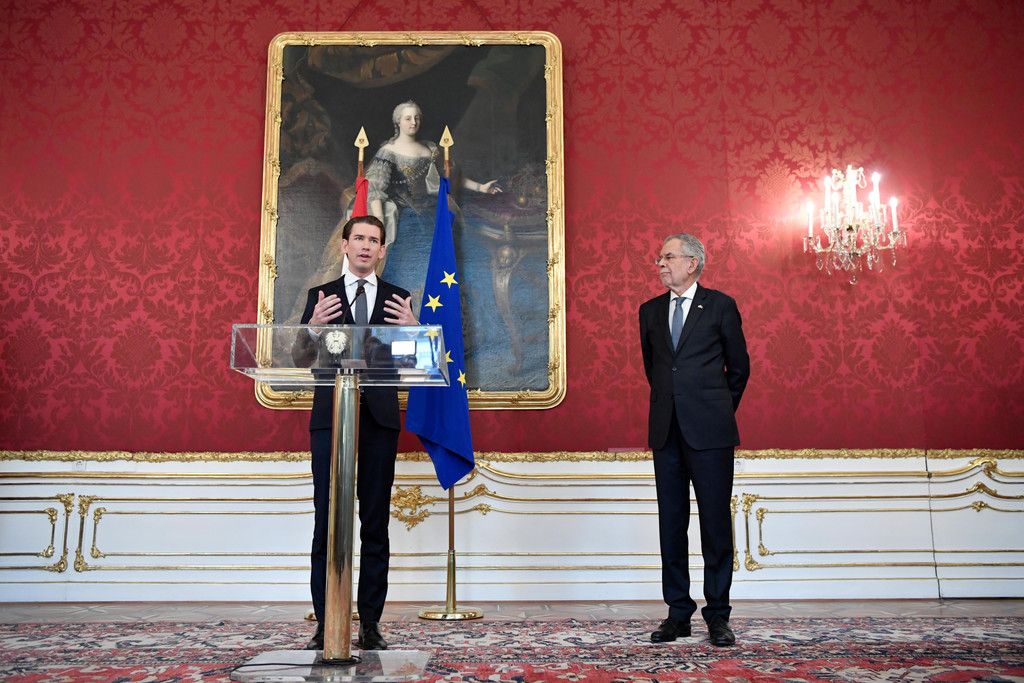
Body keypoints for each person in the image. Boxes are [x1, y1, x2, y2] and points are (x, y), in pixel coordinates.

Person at [292, 215, 417, 652]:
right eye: (358, 238)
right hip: (331, 417)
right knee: (326, 522)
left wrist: (413, 332)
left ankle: (371, 624)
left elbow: (412, 362)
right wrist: (312, 327)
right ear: (344, 245)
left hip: (379, 420)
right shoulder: (321, 296)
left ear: (382, 250)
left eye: (374, 240)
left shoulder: (399, 299)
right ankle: (326, 622)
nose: (366, 246)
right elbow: (298, 358)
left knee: (375, 523)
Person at [638, 233, 750, 648]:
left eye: (668, 256)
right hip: (666, 432)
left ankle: (718, 616)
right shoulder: (649, 311)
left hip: (711, 434)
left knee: (715, 525)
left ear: (693, 262)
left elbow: (739, 368)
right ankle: (677, 614)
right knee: (671, 525)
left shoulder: (720, 306)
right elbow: (654, 369)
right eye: (659, 257)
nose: (660, 263)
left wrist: (715, 410)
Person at [368, 100, 500, 302]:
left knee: (440, 265)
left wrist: (481, 187)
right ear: (398, 122)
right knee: (405, 267)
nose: (413, 122)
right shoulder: (388, 152)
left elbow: (450, 178)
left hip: (433, 217)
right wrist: (379, 223)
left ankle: (435, 311)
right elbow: (376, 190)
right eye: (408, 118)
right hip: (404, 220)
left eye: (417, 118)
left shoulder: (430, 149)